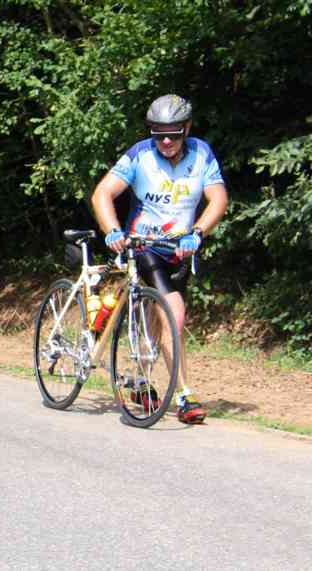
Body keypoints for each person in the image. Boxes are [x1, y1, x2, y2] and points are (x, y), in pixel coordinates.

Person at [91, 94, 228, 425]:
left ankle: (139, 378)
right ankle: (184, 396)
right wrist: (111, 230)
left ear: (187, 128)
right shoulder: (140, 155)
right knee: (174, 313)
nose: (166, 140)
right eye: (158, 134)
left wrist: (197, 232)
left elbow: (218, 198)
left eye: (174, 133)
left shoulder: (201, 153)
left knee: (158, 318)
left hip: (180, 248)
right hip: (145, 245)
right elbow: (102, 193)